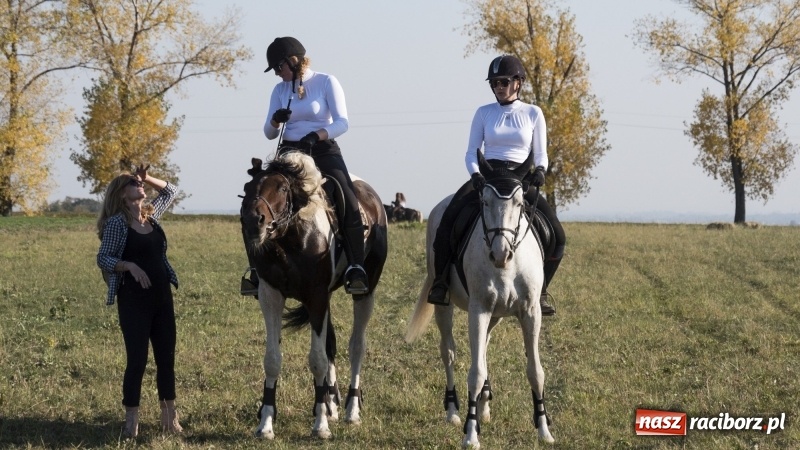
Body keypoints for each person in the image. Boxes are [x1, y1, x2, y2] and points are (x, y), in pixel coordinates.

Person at [427, 55, 566, 316]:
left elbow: (541, 153)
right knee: (447, 222)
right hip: (488, 178)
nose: (498, 87)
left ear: (518, 82)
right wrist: (476, 175)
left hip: (520, 180)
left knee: (558, 236)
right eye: (494, 83)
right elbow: (471, 152)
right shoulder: (483, 113)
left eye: (503, 81)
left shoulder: (533, 113)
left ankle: (542, 290)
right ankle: (441, 283)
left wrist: (541, 171)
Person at [241, 36, 369, 296]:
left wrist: (317, 135)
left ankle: (356, 265)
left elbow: (343, 122)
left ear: (293, 61)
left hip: (322, 148)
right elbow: (268, 132)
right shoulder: (279, 91)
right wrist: (276, 121)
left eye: (279, 68)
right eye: (275, 70)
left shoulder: (326, 82)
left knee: (345, 193)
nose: (278, 74)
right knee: (254, 197)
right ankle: (255, 269)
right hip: (289, 152)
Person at [96, 165, 183, 438]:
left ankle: (170, 418)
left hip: (161, 298)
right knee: (137, 360)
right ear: (122, 195)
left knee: (166, 358)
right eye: (133, 183)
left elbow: (171, 191)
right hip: (133, 300)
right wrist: (129, 266)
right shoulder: (116, 224)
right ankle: (131, 419)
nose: (140, 185)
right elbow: (103, 258)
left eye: (139, 182)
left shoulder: (150, 216)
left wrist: (146, 177)